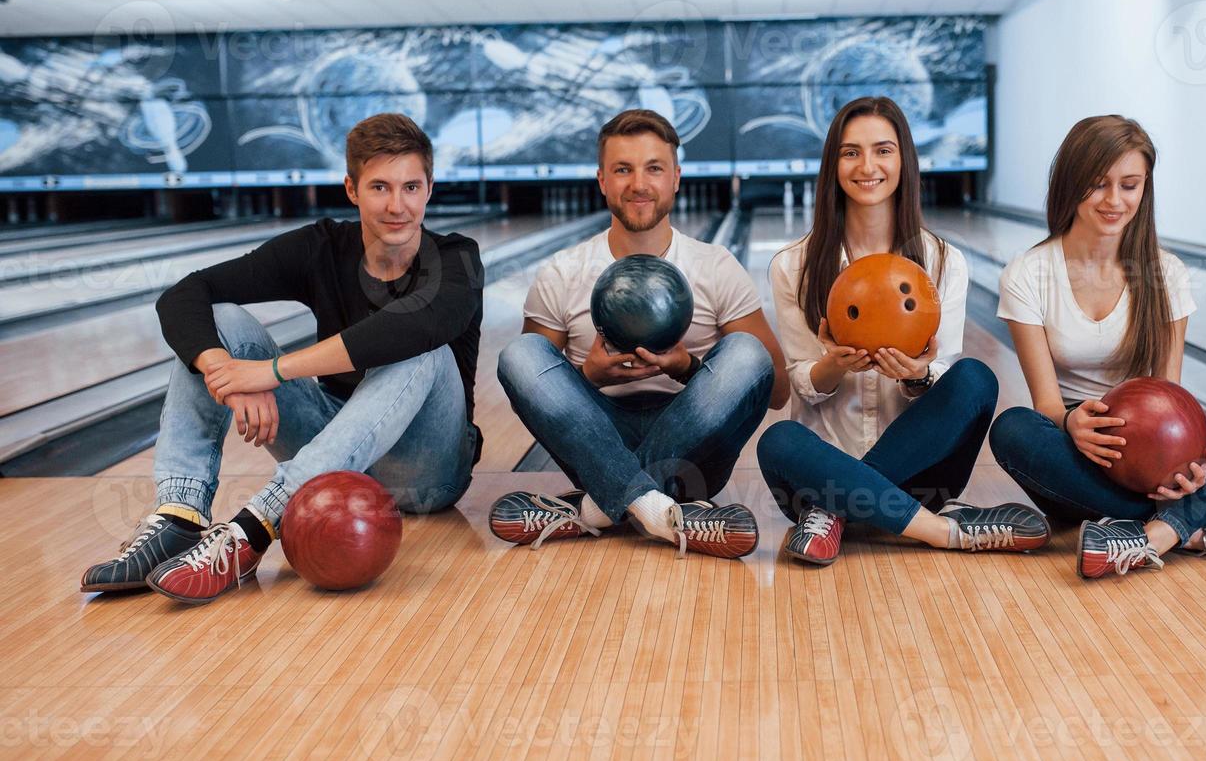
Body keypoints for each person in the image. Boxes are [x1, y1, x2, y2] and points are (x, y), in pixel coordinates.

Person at [80, 112, 485, 604]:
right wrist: (223, 371)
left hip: (425, 471)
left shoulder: (458, 257)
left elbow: (413, 328)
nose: (397, 205)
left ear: (429, 189)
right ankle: (178, 517)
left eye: (410, 187)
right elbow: (185, 294)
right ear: (352, 189)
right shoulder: (321, 248)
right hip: (331, 442)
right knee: (223, 321)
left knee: (422, 347)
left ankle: (257, 522)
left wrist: (270, 371)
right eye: (379, 187)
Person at [988, 114, 1206, 579]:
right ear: (1071, 182)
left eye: (1129, 185)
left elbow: (1170, 395)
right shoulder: (1028, 273)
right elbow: (1045, 403)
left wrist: (1191, 462)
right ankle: (1198, 526)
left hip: (1160, 447)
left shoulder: (1166, 274)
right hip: (1083, 454)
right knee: (1012, 430)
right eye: (1098, 184)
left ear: (1145, 189)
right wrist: (1071, 421)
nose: (1114, 200)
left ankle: (1157, 534)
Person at [755, 96, 1050, 566]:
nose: (866, 165)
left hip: (919, 477)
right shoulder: (793, 266)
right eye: (850, 152)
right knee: (779, 441)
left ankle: (836, 515)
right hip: (820, 471)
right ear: (832, 164)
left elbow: (946, 381)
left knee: (975, 377)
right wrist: (832, 366)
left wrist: (916, 374)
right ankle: (944, 532)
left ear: (904, 160)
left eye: (882, 150)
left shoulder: (943, 261)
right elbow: (803, 385)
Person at [493, 109, 789, 559]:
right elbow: (535, 385)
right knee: (520, 354)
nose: (638, 183)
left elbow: (777, 390)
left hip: (694, 450)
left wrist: (688, 368)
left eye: (653, 168)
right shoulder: (562, 272)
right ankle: (663, 511)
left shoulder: (715, 266)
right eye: (623, 169)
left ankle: (597, 507)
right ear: (602, 180)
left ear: (675, 178)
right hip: (597, 436)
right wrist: (587, 375)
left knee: (748, 353)